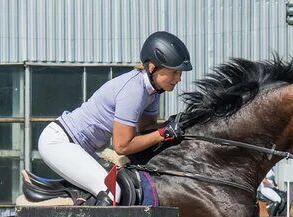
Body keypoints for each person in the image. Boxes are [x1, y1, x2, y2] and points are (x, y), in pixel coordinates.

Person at [37, 31, 192, 205]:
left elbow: (146, 129)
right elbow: (122, 146)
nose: (178, 79)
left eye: (180, 73)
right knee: (113, 192)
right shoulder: (134, 90)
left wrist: (174, 126)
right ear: (152, 68)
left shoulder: (152, 92)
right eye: (174, 73)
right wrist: (163, 133)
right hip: (59, 143)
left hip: (79, 146)